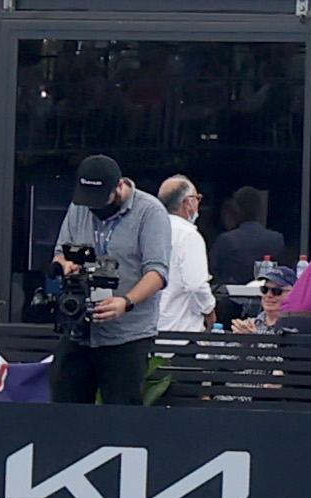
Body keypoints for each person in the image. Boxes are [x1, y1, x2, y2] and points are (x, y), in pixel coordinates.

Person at [50, 154, 171, 404]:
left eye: (99, 200)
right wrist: (66, 266)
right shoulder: (79, 207)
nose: (93, 207)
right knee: (63, 410)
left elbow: (157, 273)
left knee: (121, 415)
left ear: (119, 187)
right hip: (80, 327)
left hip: (126, 335)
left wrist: (125, 302)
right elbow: (60, 253)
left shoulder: (150, 212)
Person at [152, 177, 216, 333]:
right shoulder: (188, 235)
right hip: (180, 331)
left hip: (148, 326)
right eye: (197, 198)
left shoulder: (150, 230)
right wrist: (209, 311)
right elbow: (196, 285)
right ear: (188, 203)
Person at [208, 187, 287, 286]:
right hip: (266, 295)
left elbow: (211, 273)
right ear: (260, 209)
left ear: (236, 209)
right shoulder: (277, 239)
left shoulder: (227, 240)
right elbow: (283, 275)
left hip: (230, 298)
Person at [229, 263, 295, 335]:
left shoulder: (295, 327)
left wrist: (254, 340)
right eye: (264, 289)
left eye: (277, 291)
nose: (268, 295)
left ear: (293, 293)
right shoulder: (247, 325)